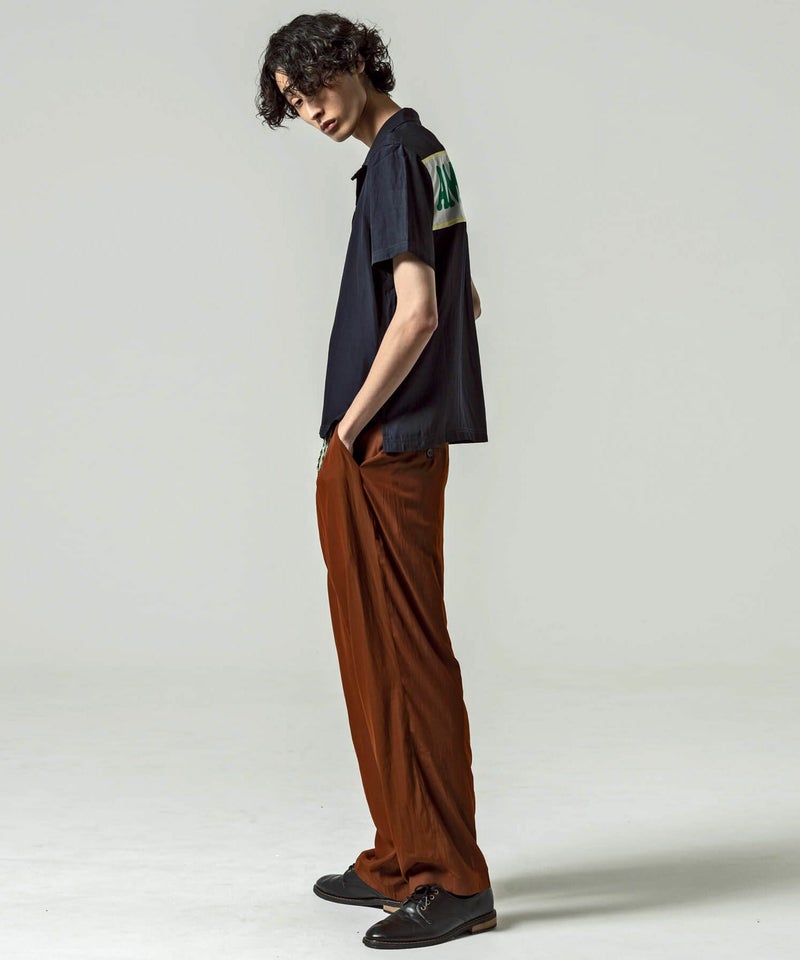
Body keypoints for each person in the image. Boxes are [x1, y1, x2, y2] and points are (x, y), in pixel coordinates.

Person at [256, 12, 495, 950]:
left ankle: (450, 880)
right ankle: (401, 854)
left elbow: (422, 312)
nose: (310, 110)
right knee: (379, 656)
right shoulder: (424, 150)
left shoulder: (397, 156)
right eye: (292, 102)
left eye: (314, 87)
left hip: (385, 448)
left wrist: (350, 430)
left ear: (356, 61)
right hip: (404, 441)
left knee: (400, 659)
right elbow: (464, 292)